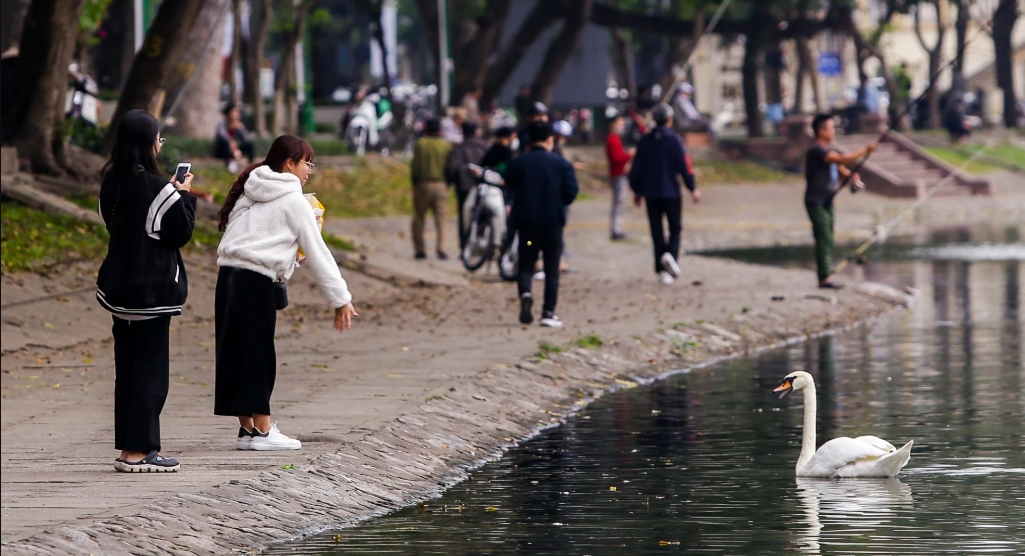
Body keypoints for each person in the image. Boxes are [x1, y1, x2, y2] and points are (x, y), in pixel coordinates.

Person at [215, 135, 358, 451]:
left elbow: (248, 236)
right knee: (258, 352)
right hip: (256, 282)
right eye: (307, 162)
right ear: (289, 163)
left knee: (234, 352)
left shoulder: (250, 192)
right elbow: (319, 254)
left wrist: (286, 254)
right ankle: (264, 432)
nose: (310, 170)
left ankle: (248, 430)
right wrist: (341, 299)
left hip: (227, 278)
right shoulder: (295, 202)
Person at [96, 109, 197, 473]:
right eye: (159, 137)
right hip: (151, 293)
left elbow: (118, 225)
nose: (160, 143)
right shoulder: (157, 187)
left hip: (118, 291)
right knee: (150, 373)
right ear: (149, 142)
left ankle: (127, 447)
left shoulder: (111, 181)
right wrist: (181, 195)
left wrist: (170, 191)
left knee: (128, 370)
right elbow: (179, 232)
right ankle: (141, 452)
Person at [505, 121, 579, 328]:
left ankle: (526, 292)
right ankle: (548, 312)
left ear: (529, 141)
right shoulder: (562, 164)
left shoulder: (519, 163)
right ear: (550, 140)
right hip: (552, 225)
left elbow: (509, 185)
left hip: (527, 226)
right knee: (551, 268)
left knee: (527, 263)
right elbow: (571, 193)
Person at [628, 103, 701, 286]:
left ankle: (661, 269)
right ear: (669, 120)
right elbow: (684, 166)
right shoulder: (675, 140)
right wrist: (692, 187)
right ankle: (671, 257)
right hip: (671, 191)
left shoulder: (644, 141)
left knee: (656, 230)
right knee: (675, 228)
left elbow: (637, 169)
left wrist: (637, 191)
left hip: (651, 193)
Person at [805, 114, 877, 289]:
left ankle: (826, 274)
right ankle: (824, 278)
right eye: (831, 128)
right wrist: (865, 151)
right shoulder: (817, 150)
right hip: (816, 201)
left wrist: (851, 177)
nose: (834, 131)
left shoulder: (827, 150)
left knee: (829, 237)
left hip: (828, 201)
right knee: (823, 238)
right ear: (821, 131)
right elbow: (841, 159)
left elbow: (840, 167)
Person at [410, 118, 453, 259]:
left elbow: (415, 165)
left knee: (419, 218)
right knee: (441, 219)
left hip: (423, 184)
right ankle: (441, 248)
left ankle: (420, 249)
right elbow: (449, 166)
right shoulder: (445, 145)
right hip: (440, 184)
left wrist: (415, 182)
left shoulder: (420, 144)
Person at [445, 120, 488, 248]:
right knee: (482, 215)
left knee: (464, 216)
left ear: (462, 131)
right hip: (482, 186)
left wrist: (449, 182)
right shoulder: (484, 146)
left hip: (463, 188)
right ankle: (480, 242)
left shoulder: (458, 148)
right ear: (476, 131)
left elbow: (451, 168)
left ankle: (465, 244)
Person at [605, 114, 635, 241]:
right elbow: (617, 159)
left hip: (620, 174)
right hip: (617, 174)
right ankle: (615, 229)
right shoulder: (612, 139)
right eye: (620, 123)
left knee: (620, 203)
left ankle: (617, 228)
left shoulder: (616, 139)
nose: (622, 126)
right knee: (618, 203)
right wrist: (629, 155)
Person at [213, 103, 255, 173]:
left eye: (237, 112)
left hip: (234, 149)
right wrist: (231, 142)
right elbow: (222, 135)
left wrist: (241, 128)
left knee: (249, 145)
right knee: (225, 144)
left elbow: (247, 139)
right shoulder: (222, 124)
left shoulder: (239, 125)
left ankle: (250, 165)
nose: (236, 114)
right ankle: (231, 163)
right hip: (223, 150)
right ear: (228, 114)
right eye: (234, 112)